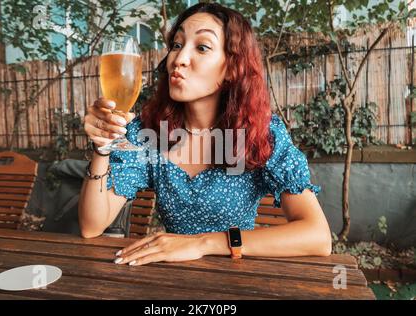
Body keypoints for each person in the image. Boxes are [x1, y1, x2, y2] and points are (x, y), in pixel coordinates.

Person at [78, 2, 332, 266]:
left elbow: (318, 236)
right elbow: (91, 226)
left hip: (237, 278)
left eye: (202, 47)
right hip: (172, 279)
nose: (179, 59)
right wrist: (102, 147)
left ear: (232, 68)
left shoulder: (262, 133)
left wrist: (202, 244)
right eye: (177, 45)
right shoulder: (148, 130)